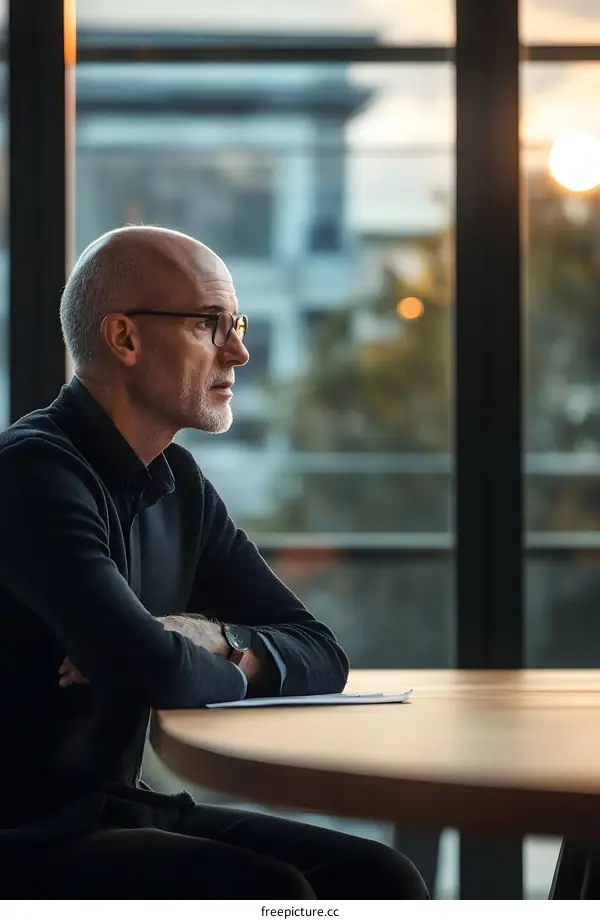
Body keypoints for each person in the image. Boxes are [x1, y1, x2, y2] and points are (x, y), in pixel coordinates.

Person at [0, 226, 428, 899]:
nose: (240, 350)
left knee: (379, 876)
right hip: (25, 838)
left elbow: (321, 653)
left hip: (111, 809)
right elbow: (148, 668)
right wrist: (161, 654)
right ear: (125, 340)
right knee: (273, 892)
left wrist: (214, 639)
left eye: (237, 323)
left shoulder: (177, 480)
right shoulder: (31, 475)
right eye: (210, 324)